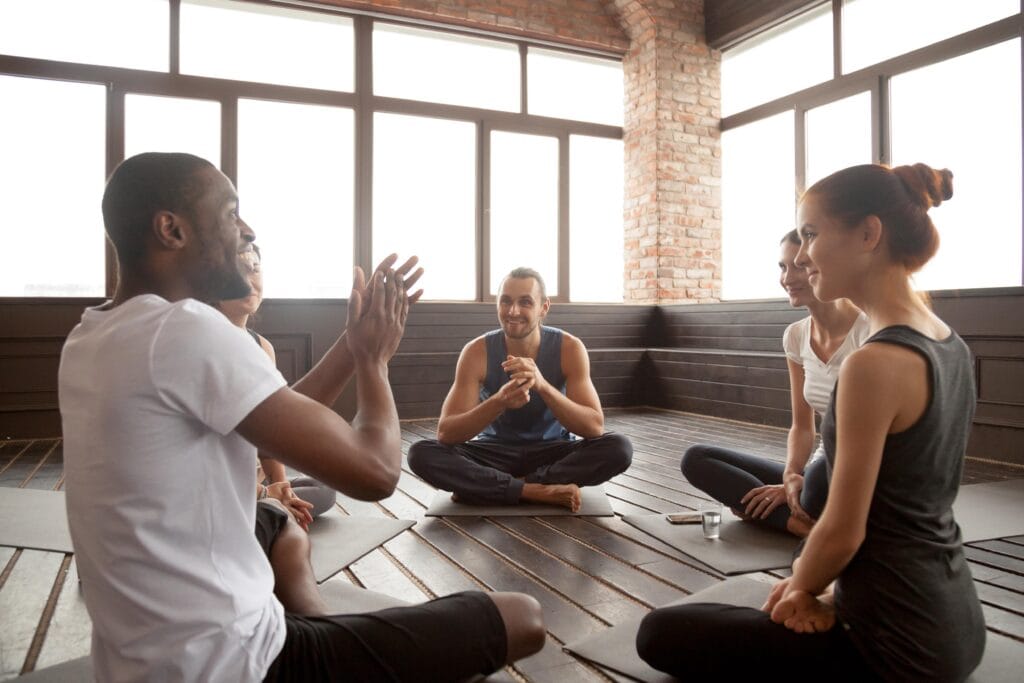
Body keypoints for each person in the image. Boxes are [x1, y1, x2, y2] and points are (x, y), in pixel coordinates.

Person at [59, 152, 546, 682]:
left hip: (134, 666)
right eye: (229, 213)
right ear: (170, 230)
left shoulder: (92, 335)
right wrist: (373, 362)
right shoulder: (184, 330)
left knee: (274, 519)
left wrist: (350, 344)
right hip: (236, 666)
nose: (245, 230)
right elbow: (376, 473)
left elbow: (276, 421)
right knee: (523, 617)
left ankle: (316, 622)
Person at [636, 163, 986, 681]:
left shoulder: (874, 362)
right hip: (956, 625)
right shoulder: (948, 342)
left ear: (869, 233)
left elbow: (844, 532)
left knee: (658, 633)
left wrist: (797, 589)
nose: (800, 257)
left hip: (892, 644)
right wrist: (819, 589)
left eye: (811, 235)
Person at [680, 230, 870, 536]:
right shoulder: (795, 336)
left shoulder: (869, 333)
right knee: (697, 459)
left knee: (811, 487)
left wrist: (804, 483)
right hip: (819, 470)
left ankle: (792, 516)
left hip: (860, 476)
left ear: (827, 265)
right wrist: (791, 475)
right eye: (783, 267)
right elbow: (803, 426)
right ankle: (799, 522)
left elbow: (871, 443)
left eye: (800, 266)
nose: (788, 278)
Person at [407, 267, 632, 512]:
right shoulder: (475, 352)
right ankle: (534, 491)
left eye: (525, 302)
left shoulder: (570, 348)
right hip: (494, 453)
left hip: (552, 453)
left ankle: (502, 488)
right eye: (506, 301)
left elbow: (593, 427)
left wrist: (543, 385)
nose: (513, 311)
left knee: (619, 448)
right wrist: (499, 401)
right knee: (420, 453)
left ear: (544, 308)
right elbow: (447, 433)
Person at [218, 243, 336, 525]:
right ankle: (270, 512)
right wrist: (263, 493)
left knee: (324, 489)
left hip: (255, 479)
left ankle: (275, 509)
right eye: (236, 270)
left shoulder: (263, 347)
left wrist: (280, 486)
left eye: (254, 268)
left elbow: (269, 433)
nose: (248, 280)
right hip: (223, 485)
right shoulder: (207, 344)